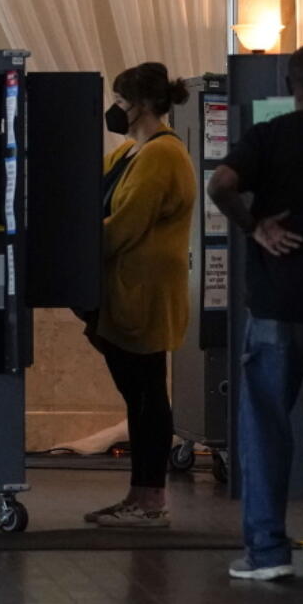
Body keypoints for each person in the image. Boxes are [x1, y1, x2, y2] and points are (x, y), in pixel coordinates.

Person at [207, 44, 303, 581]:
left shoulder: (266, 139)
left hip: (275, 306)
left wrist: (257, 228)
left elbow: (220, 185)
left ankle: (267, 553)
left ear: (288, 83)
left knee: (267, 427)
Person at [83, 63, 196, 528]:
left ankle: (150, 502)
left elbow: (124, 226)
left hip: (143, 296)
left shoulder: (161, 156)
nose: (116, 109)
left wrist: (76, 245)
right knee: (139, 396)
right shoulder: (130, 152)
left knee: (147, 398)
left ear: (144, 105)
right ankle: (140, 496)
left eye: (122, 100)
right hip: (124, 292)